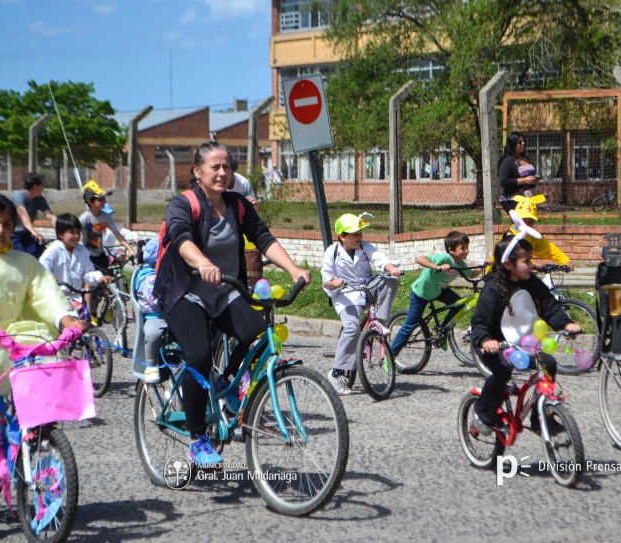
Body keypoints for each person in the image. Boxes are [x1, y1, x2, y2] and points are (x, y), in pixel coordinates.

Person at [154, 141, 310, 467]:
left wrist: (294, 268)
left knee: (259, 333)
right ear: (197, 172)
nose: (223, 172)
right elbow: (181, 239)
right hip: (186, 294)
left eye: (227, 167)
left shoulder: (238, 204)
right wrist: (201, 262)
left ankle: (225, 381)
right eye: (215, 166)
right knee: (198, 355)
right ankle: (197, 438)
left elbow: (263, 238)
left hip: (225, 291)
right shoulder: (184, 204)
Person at [0, 195, 87, 518]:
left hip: (17, 349)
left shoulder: (26, 262)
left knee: (37, 407)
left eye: (7, 224)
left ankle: (31, 464)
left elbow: (46, 295)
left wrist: (67, 320)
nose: (0, 230)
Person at [469, 235, 581, 435]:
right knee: (502, 372)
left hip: (522, 344)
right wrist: (486, 340)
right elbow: (479, 323)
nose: (532, 264)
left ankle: (540, 417)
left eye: (531, 259)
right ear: (508, 264)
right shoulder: (492, 288)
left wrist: (565, 323)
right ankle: (482, 414)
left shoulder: (532, 283)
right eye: (526, 261)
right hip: (494, 345)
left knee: (548, 363)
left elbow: (550, 306)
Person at [322, 212, 401, 396]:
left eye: (361, 233)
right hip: (345, 294)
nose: (360, 237)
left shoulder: (365, 247)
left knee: (390, 281)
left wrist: (391, 269)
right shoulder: (331, 252)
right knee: (351, 328)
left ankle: (379, 322)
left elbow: (380, 259)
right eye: (355, 234)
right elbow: (326, 279)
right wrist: (334, 283)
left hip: (367, 287)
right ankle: (337, 373)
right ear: (343, 236)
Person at [389, 231, 481, 357]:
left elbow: (472, 274)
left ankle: (442, 330)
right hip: (421, 293)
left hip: (438, 290)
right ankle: (390, 355)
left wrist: (486, 265)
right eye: (462, 248)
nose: (466, 251)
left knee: (458, 305)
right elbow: (419, 259)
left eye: (467, 248)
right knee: (409, 326)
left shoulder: (461, 264)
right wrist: (436, 267)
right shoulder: (444, 258)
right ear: (451, 250)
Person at [39, 213, 111, 305]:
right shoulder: (53, 249)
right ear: (61, 234)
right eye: (72, 233)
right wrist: (50, 277)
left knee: (84, 318)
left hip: (76, 298)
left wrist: (99, 277)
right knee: (65, 319)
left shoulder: (83, 251)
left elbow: (87, 273)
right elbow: (41, 268)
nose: (76, 236)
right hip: (55, 298)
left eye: (78, 232)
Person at [504, 194, 574, 271]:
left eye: (530, 221)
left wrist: (564, 260)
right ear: (516, 219)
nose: (527, 224)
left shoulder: (531, 236)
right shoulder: (511, 235)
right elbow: (516, 255)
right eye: (523, 220)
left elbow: (549, 248)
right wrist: (530, 263)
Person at [79, 181, 137, 271]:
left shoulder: (106, 217)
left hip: (101, 255)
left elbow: (118, 235)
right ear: (90, 202)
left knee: (107, 279)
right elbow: (75, 235)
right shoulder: (84, 218)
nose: (104, 202)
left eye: (104, 199)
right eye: (100, 199)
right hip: (87, 257)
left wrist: (130, 249)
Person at [133, 238, 165, 384]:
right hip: (154, 316)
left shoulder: (168, 274)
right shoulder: (149, 277)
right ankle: (151, 365)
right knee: (153, 333)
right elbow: (155, 300)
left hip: (170, 315)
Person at [10, 172, 57, 258]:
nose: (43, 188)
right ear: (35, 186)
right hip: (13, 235)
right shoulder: (19, 197)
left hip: (26, 234)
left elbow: (50, 216)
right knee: (21, 256)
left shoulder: (39, 198)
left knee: (39, 250)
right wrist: (34, 232)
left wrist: (61, 230)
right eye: (42, 186)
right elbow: (24, 216)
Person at [498, 132, 539, 213]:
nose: (523, 143)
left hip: (528, 198)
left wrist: (535, 178)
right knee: (520, 223)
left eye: (523, 141)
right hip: (512, 199)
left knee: (528, 222)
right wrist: (524, 180)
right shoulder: (507, 161)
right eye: (519, 142)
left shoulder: (524, 158)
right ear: (513, 144)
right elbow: (503, 181)